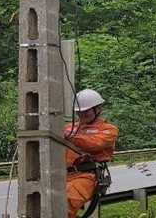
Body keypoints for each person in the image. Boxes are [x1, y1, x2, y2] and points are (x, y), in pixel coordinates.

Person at [64, 88, 118, 218]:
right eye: (79, 112)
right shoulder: (68, 127)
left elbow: (94, 144)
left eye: (85, 111)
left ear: (98, 108)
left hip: (86, 176)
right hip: (63, 175)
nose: (81, 115)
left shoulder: (109, 130)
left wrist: (70, 136)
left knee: (64, 203)